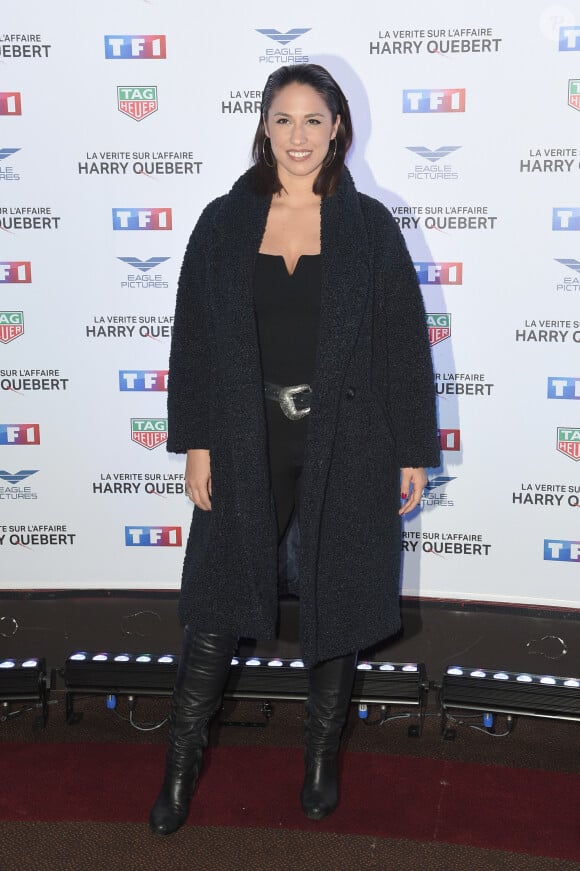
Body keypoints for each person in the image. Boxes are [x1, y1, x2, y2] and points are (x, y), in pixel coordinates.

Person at [149, 63, 440, 837]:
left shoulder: (369, 225)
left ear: (338, 126)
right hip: (245, 435)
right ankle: (178, 766)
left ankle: (318, 758)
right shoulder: (223, 220)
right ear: (264, 126)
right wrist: (197, 441)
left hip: (349, 438)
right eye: (285, 119)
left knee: (336, 595)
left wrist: (412, 449)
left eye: (315, 120)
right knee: (213, 603)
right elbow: (196, 341)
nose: (300, 136)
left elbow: (404, 345)